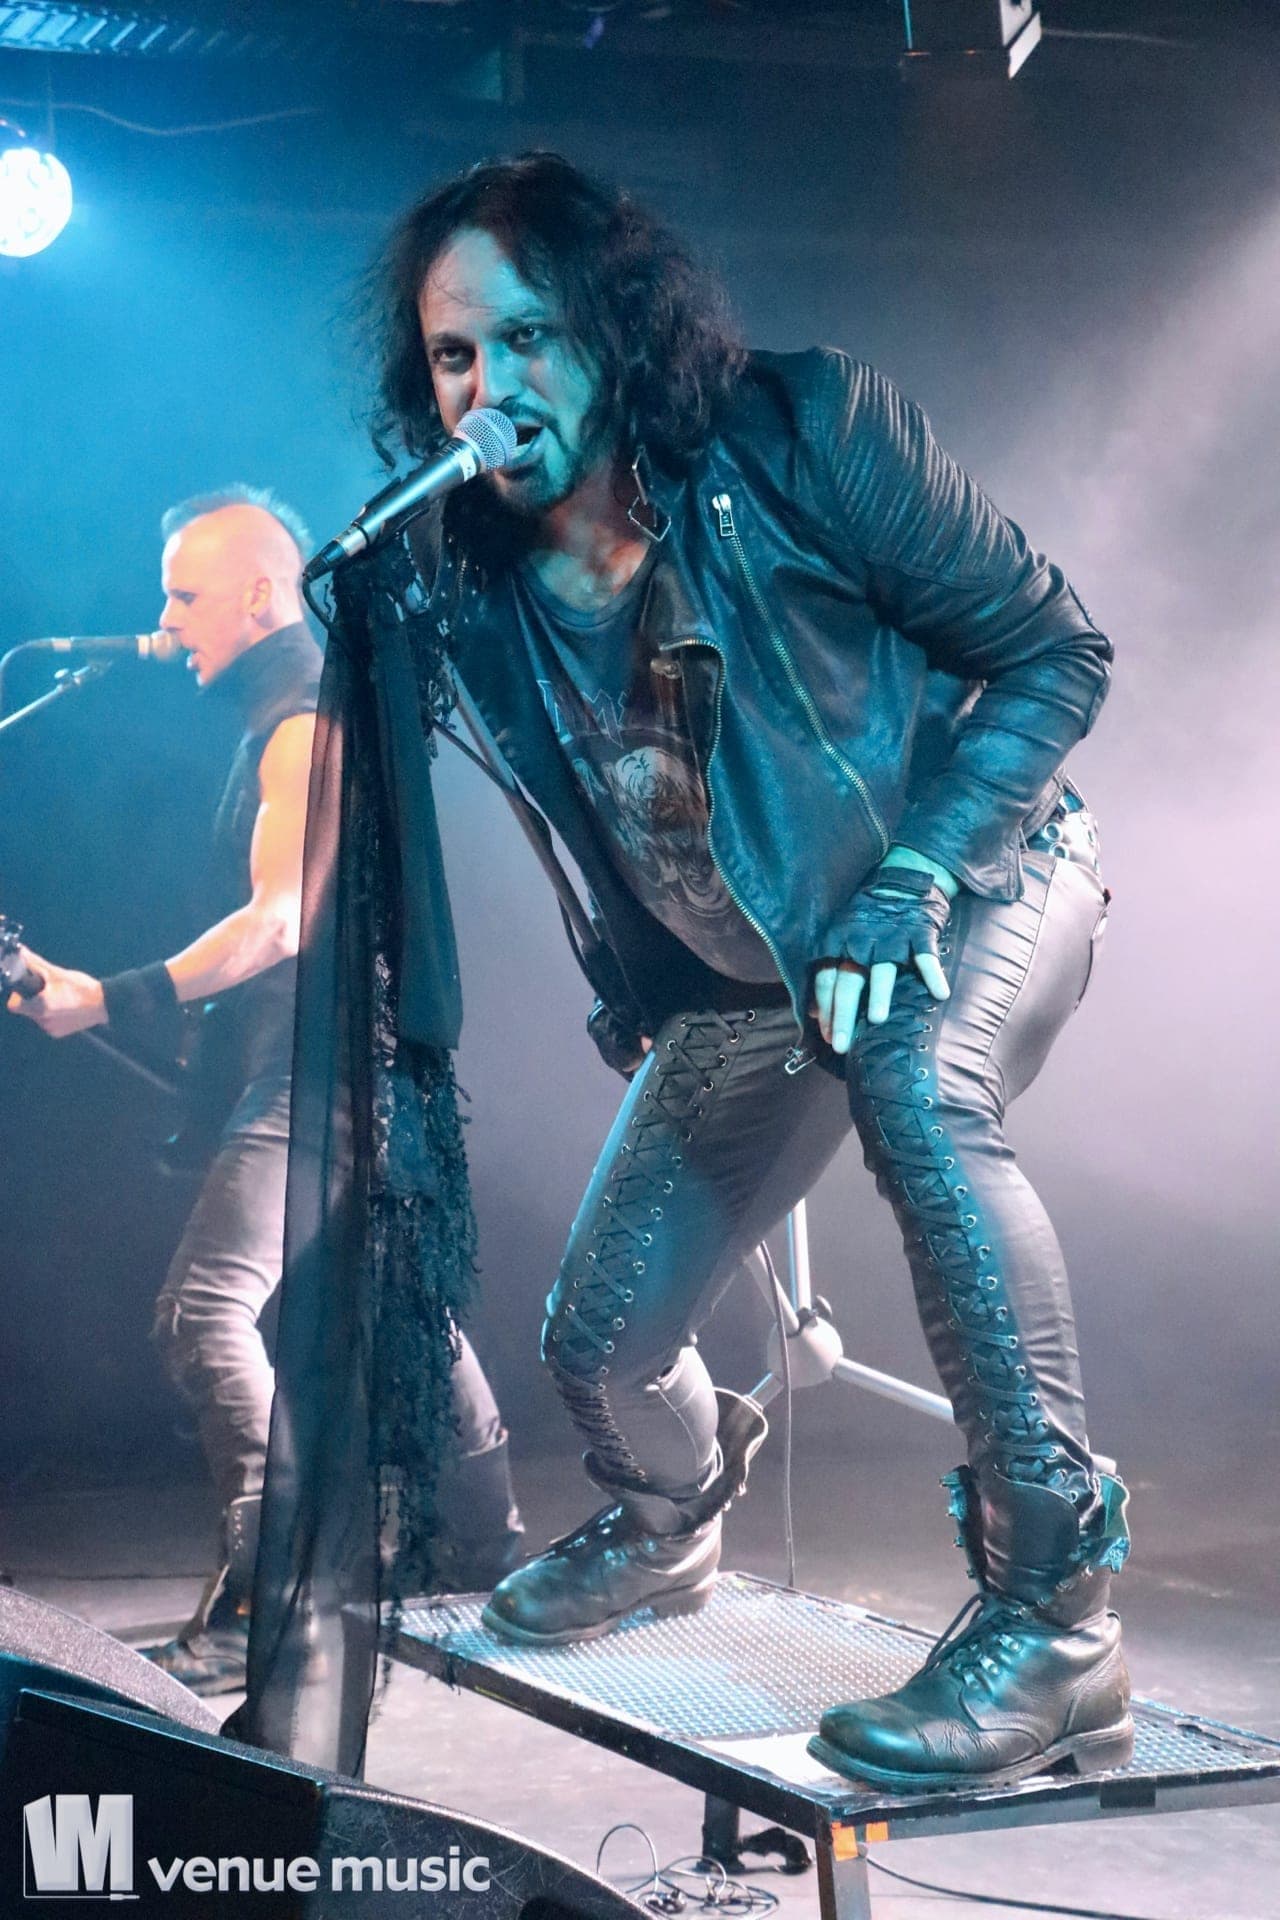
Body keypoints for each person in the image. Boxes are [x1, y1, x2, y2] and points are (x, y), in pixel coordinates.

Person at [359, 150, 1132, 1791]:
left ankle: (1060, 1620)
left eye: (530, 338)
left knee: (920, 1088)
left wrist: (915, 881)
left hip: (973, 876)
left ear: (617, 328)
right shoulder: (470, 584)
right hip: (757, 971)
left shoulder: (806, 434)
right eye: (455, 356)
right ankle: (668, 1526)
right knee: (601, 1344)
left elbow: (1056, 651)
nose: (490, 388)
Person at [7, 489, 523, 1695]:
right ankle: (483, 1547)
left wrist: (113, 995)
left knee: (202, 1313)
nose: (164, 623)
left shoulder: (300, 725)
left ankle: (268, 1601)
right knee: (404, 1298)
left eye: (183, 597)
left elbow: (280, 922)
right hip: (347, 1070)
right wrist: (70, 992)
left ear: (257, 594)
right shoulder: (286, 721)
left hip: (325, 1077)